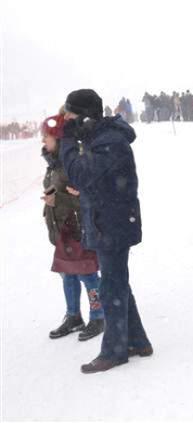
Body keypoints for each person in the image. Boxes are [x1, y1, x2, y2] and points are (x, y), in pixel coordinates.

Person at [59, 89, 152, 373]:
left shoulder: (109, 140)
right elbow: (92, 176)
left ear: (85, 117)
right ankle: (137, 341)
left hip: (112, 222)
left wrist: (65, 140)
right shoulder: (99, 137)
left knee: (112, 283)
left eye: (71, 116)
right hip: (108, 219)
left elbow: (81, 172)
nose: (68, 122)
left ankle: (114, 351)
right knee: (116, 280)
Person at [41, 114, 105, 342]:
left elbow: (86, 197)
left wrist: (57, 200)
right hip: (63, 230)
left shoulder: (74, 161)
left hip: (79, 227)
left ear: (58, 139)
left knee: (87, 273)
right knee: (67, 273)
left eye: (46, 138)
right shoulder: (54, 164)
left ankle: (99, 315)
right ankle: (73, 316)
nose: (43, 142)